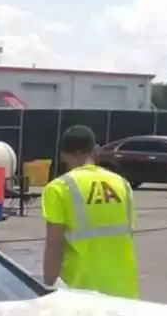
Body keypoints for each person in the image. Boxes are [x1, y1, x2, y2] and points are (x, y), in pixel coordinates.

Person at [41, 125, 138, 298]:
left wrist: (47, 287)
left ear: (63, 154)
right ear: (95, 150)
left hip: (82, 290)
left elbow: (54, 245)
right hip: (123, 290)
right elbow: (129, 233)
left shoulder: (58, 188)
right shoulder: (122, 184)